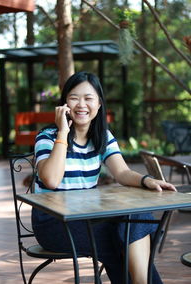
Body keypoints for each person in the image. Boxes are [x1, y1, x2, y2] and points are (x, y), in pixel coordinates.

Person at [32, 71, 176, 284]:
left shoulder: (103, 137)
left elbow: (123, 173)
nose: (81, 104)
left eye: (88, 98)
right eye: (74, 98)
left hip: (89, 219)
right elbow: (51, 180)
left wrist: (147, 180)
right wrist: (63, 132)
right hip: (54, 223)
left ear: (99, 105)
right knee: (126, 237)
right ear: (63, 105)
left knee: (134, 219)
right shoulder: (47, 137)